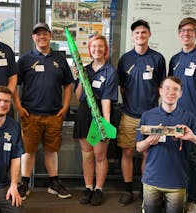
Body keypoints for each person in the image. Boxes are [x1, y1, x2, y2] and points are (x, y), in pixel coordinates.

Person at [13, 23, 74, 200]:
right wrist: (18, 106)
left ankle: (54, 184)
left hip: (54, 114)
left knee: (52, 150)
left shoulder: (60, 59)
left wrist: (65, 106)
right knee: (28, 151)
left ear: (50, 36)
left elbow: (68, 85)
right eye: (37, 34)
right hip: (30, 114)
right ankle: (24, 184)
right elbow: (14, 84)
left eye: (44, 34)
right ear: (33, 38)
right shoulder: (25, 60)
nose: (41, 37)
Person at [136, 76, 196, 213]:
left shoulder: (189, 118)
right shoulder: (147, 116)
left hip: (177, 183)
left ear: (180, 93)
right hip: (151, 181)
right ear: (160, 91)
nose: (170, 92)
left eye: (175, 89)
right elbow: (138, 147)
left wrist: (193, 137)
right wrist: (148, 141)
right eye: (167, 88)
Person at [117, 19, 166, 205]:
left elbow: (161, 87)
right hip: (129, 115)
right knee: (127, 153)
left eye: (144, 32)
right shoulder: (125, 59)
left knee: (149, 154)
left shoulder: (158, 58)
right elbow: (122, 87)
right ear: (132, 36)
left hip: (152, 116)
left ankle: (147, 191)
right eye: (137, 33)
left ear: (149, 35)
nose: (140, 36)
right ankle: (128, 190)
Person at [168, 17, 196, 213]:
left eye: (191, 30)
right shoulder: (175, 60)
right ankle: (176, 196)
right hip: (174, 117)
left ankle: (193, 200)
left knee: (194, 159)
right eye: (183, 30)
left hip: (194, 118)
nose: (186, 33)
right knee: (176, 157)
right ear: (179, 33)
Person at [72, 35, 118, 206]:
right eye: (93, 47)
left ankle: (99, 189)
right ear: (89, 50)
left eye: (100, 46)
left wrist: (104, 125)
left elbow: (106, 100)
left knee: (100, 155)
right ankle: (88, 187)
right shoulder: (85, 69)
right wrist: (79, 80)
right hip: (85, 112)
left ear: (105, 49)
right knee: (87, 155)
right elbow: (78, 96)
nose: (97, 49)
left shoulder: (110, 72)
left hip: (100, 114)